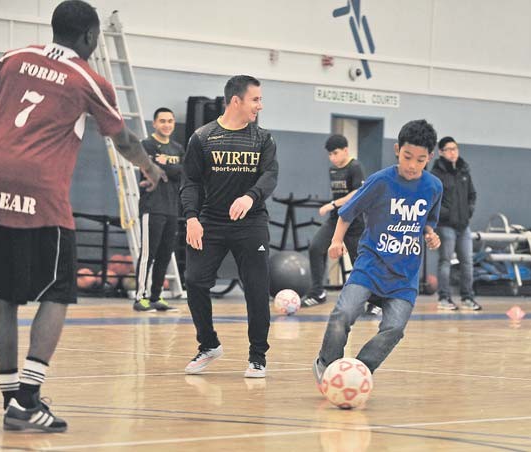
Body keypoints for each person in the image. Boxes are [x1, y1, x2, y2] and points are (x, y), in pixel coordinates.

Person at [0, 0, 165, 432]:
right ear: (91, 37)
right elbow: (124, 138)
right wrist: (150, 168)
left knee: (5, 295)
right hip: (40, 194)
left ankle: (10, 401)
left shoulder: (13, 59)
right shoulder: (89, 79)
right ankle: (30, 398)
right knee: (58, 292)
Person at [312, 119, 442, 386]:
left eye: (420, 160)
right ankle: (328, 364)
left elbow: (430, 220)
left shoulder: (434, 187)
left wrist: (430, 235)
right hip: (370, 267)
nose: (412, 165)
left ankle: (359, 371)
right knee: (342, 315)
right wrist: (336, 241)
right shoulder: (380, 181)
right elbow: (347, 213)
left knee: (394, 328)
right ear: (397, 150)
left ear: (429, 157)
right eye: (407, 157)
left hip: (404, 277)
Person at [181, 75, 278, 378]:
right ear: (236, 101)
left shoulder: (263, 138)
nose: (260, 105)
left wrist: (251, 197)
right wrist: (192, 218)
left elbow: (270, 175)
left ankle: (257, 356)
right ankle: (208, 344)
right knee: (195, 281)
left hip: (251, 223)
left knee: (257, 288)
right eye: (255, 100)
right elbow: (190, 182)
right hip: (210, 221)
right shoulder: (202, 137)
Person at [301, 135, 366, 309]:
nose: (333, 158)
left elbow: (357, 193)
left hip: (354, 222)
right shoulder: (333, 170)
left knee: (360, 261)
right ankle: (318, 292)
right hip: (335, 221)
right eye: (330, 155)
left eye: (336, 153)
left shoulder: (355, 167)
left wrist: (332, 204)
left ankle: (375, 301)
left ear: (346, 150)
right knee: (315, 247)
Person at [133, 107, 184, 312]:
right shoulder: (146, 146)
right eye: (162, 121)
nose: (167, 124)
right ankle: (140, 297)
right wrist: (166, 168)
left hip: (172, 208)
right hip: (152, 207)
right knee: (148, 254)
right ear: (154, 123)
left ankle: (156, 296)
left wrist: (169, 168)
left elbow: (183, 173)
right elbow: (155, 171)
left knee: (165, 254)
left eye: (170, 121)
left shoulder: (177, 148)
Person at [430, 136, 481, 311]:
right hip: (445, 226)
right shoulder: (436, 174)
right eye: (449, 149)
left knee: (467, 261)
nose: (453, 152)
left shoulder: (464, 171)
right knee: (445, 261)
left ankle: (468, 297)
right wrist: (445, 214)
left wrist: (468, 212)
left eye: (455, 149)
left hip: (463, 225)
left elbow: (472, 195)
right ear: (441, 152)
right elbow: (432, 199)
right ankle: (444, 298)